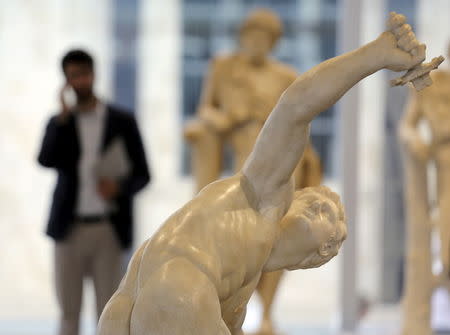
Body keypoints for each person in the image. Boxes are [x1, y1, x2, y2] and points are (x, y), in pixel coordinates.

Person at [98, 12, 432, 335]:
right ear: (296, 204)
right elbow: (295, 107)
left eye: (334, 239)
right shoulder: (263, 199)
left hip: (132, 303)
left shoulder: (242, 277)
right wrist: (375, 55)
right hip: (176, 289)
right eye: (325, 212)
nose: (334, 238)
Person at [184, 9, 322, 334]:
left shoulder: (285, 75)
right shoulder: (222, 66)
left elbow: (299, 121)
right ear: (242, 37)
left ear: (274, 42)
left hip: (279, 157)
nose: (257, 43)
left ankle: (268, 313)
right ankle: (224, 306)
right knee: (239, 238)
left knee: (276, 236)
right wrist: (226, 119)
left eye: (265, 38)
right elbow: (206, 109)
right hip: (239, 152)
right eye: (252, 36)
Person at [37, 49, 150, 335]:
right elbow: (45, 159)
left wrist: (119, 188)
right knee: (68, 314)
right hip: (68, 229)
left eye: (84, 74)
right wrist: (62, 118)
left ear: (93, 74)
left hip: (108, 229)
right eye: (74, 76)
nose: (81, 81)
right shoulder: (60, 123)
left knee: (110, 312)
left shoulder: (122, 121)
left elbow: (143, 174)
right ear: (66, 80)